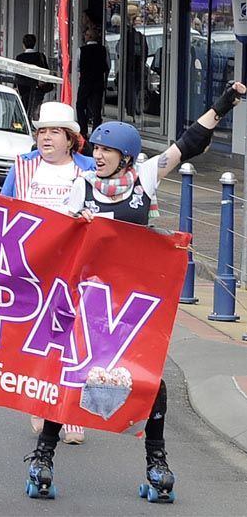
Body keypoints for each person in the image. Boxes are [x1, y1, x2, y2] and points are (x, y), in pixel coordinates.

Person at [25, 81, 246, 503]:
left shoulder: (143, 178)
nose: (99, 156)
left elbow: (190, 143)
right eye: (98, 150)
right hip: (89, 300)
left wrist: (226, 102)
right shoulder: (81, 186)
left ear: (125, 156)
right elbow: (60, 241)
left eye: (108, 152)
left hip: (134, 302)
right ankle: (43, 457)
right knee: (70, 372)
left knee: (150, 380)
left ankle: (157, 463)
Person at [76, 27, 110, 137]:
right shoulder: (103, 49)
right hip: (98, 82)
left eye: (85, 35)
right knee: (96, 108)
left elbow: (77, 67)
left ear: (88, 37)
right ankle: (96, 130)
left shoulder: (81, 50)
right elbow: (107, 65)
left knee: (80, 105)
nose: (84, 37)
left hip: (85, 82)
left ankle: (83, 130)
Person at [15, 34, 50, 121]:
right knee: (35, 110)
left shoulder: (20, 58)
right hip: (38, 88)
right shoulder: (40, 56)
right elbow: (46, 71)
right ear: (35, 43)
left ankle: (25, 125)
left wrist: (16, 86)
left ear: (23, 44)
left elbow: (17, 74)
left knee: (24, 109)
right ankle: (35, 126)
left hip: (24, 89)